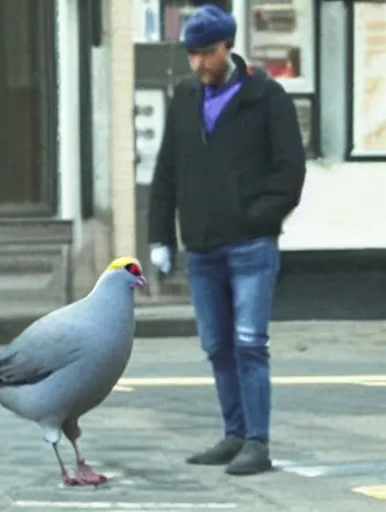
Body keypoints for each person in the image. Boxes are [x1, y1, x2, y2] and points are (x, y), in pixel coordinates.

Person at [147, 4, 306, 475]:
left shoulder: (266, 97)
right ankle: (234, 433)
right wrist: (160, 237)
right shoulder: (184, 99)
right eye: (192, 55)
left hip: (251, 246)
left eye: (207, 54)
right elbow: (166, 174)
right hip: (202, 247)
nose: (199, 64)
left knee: (250, 342)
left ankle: (257, 442)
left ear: (228, 47)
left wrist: (257, 218)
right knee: (217, 344)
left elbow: (289, 173)